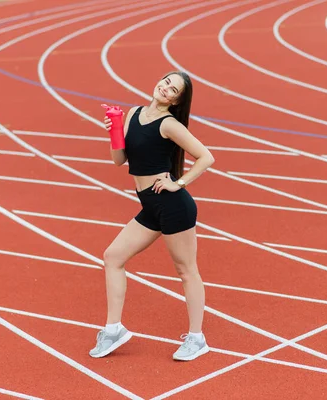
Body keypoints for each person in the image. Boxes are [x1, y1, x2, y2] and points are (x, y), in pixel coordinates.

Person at [89, 71, 215, 361]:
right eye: (166, 82)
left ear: (177, 100)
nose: (166, 88)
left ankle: (197, 338)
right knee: (113, 257)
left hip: (172, 205)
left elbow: (206, 156)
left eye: (174, 89)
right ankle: (113, 330)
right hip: (150, 205)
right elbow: (120, 161)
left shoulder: (169, 124)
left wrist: (178, 182)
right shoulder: (133, 113)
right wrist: (114, 131)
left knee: (186, 270)